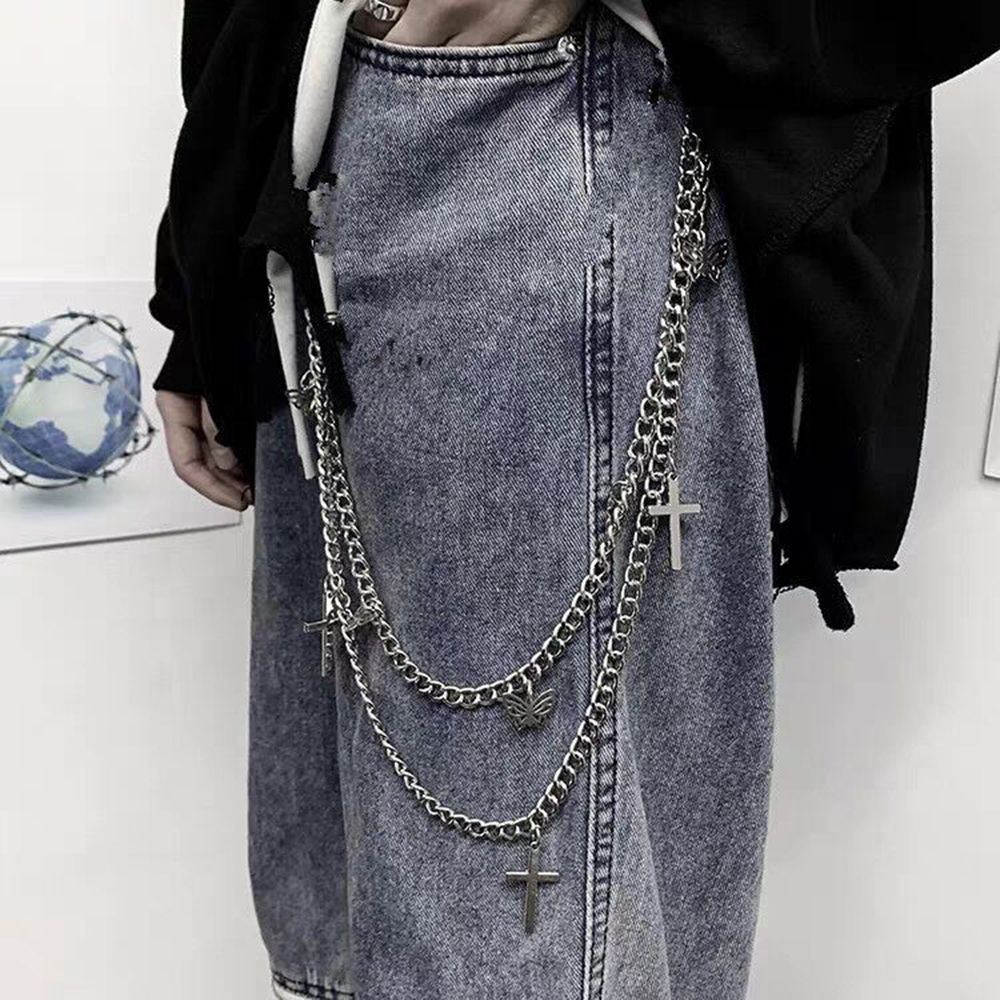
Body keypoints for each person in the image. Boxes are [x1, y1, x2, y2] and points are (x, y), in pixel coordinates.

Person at [150, 2, 1000, 998]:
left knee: (512, 941)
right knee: (349, 923)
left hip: (538, 134)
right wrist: (201, 271)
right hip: (308, 161)